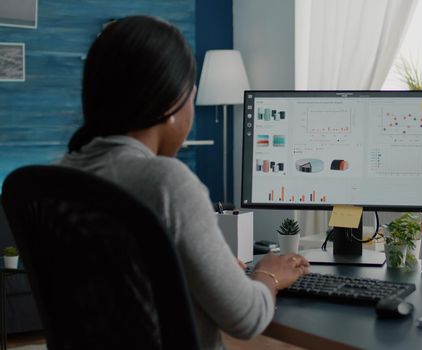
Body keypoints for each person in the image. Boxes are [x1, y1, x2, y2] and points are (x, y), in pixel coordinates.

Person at [59, 15, 309, 350]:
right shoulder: (166, 182)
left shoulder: (64, 173)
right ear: (173, 104)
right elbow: (246, 319)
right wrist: (269, 273)